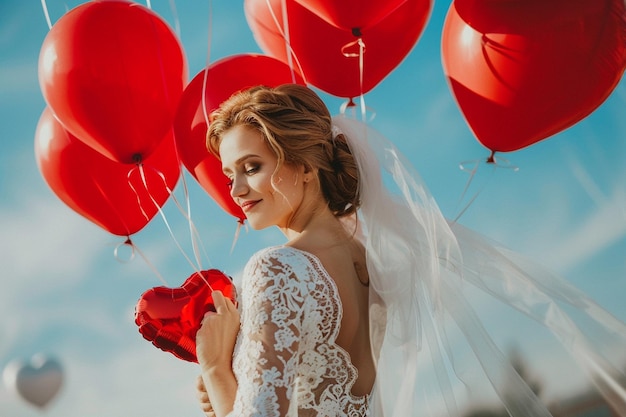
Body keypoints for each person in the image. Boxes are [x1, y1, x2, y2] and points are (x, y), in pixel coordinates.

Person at [194, 83, 626, 417]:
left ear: (305, 166)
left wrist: (215, 369)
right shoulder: (366, 256)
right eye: (230, 172)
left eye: (252, 167)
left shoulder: (276, 267)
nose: (236, 189)